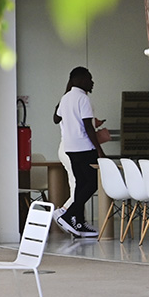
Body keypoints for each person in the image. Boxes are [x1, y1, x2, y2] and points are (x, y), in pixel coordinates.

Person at [53, 66, 106, 237]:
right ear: (81, 79)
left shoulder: (65, 98)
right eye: (89, 78)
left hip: (70, 148)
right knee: (91, 183)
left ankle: (79, 222)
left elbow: (56, 118)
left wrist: (67, 91)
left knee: (80, 185)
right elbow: (88, 127)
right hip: (84, 147)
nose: (92, 82)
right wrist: (99, 150)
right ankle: (68, 215)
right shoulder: (83, 99)